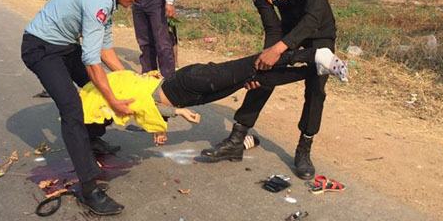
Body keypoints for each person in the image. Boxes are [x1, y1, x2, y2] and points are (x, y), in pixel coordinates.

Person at [201, 0, 338, 180]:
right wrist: (267, 60)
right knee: (262, 75)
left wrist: (279, 49)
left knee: (316, 88)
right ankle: (236, 139)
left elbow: (313, 18)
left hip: (319, 34)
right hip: (284, 33)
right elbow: (272, 27)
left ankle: (304, 149)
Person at [20, 0, 150, 216]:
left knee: (108, 87)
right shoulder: (98, 2)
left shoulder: (108, 2)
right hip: (40, 48)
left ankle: (90, 138)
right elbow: (92, 61)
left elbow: (105, 50)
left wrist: (129, 80)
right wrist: (113, 101)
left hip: (65, 46)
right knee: (72, 109)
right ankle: (89, 188)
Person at [78, 47, 348, 143]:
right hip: (189, 90)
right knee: (254, 79)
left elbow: (148, 106)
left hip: (187, 85)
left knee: (250, 66)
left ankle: (313, 55)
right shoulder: (107, 85)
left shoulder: (104, 100)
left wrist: (178, 112)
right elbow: (145, 91)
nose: (107, 120)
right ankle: (313, 70)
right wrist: (166, 120)